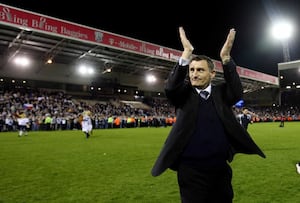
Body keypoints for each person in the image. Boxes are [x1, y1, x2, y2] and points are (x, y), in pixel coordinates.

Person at [151, 27, 266, 203]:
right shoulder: (183, 95)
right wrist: (186, 54)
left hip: (220, 169)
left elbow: (236, 91)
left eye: (200, 70)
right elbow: (170, 88)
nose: (194, 75)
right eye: (192, 70)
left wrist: (226, 59)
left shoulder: (221, 93)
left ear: (212, 74)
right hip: (191, 171)